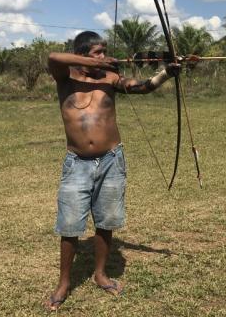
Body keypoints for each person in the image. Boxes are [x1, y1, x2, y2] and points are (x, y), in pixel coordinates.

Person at [44, 31, 180, 311]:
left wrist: (167, 72)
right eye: (97, 52)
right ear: (82, 54)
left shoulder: (111, 80)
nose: (104, 56)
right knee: (70, 226)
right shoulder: (65, 78)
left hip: (111, 160)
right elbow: (53, 56)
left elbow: (144, 86)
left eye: (104, 51)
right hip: (77, 163)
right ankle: (64, 283)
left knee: (106, 221)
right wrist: (97, 63)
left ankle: (100, 273)